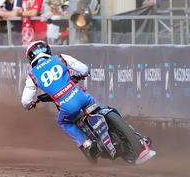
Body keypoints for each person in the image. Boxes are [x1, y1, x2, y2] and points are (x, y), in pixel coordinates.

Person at [20, 41, 156, 164]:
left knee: (63, 122)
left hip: (67, 107)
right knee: (103, 108)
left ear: (31, 58)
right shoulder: (61, 58)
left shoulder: (32, 75)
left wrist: (30, 104)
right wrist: (80, 76)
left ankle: (86, 143)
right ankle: (136, 137)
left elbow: (25, 101)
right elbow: (84, 69)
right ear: (47, 50)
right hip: (82, 97)